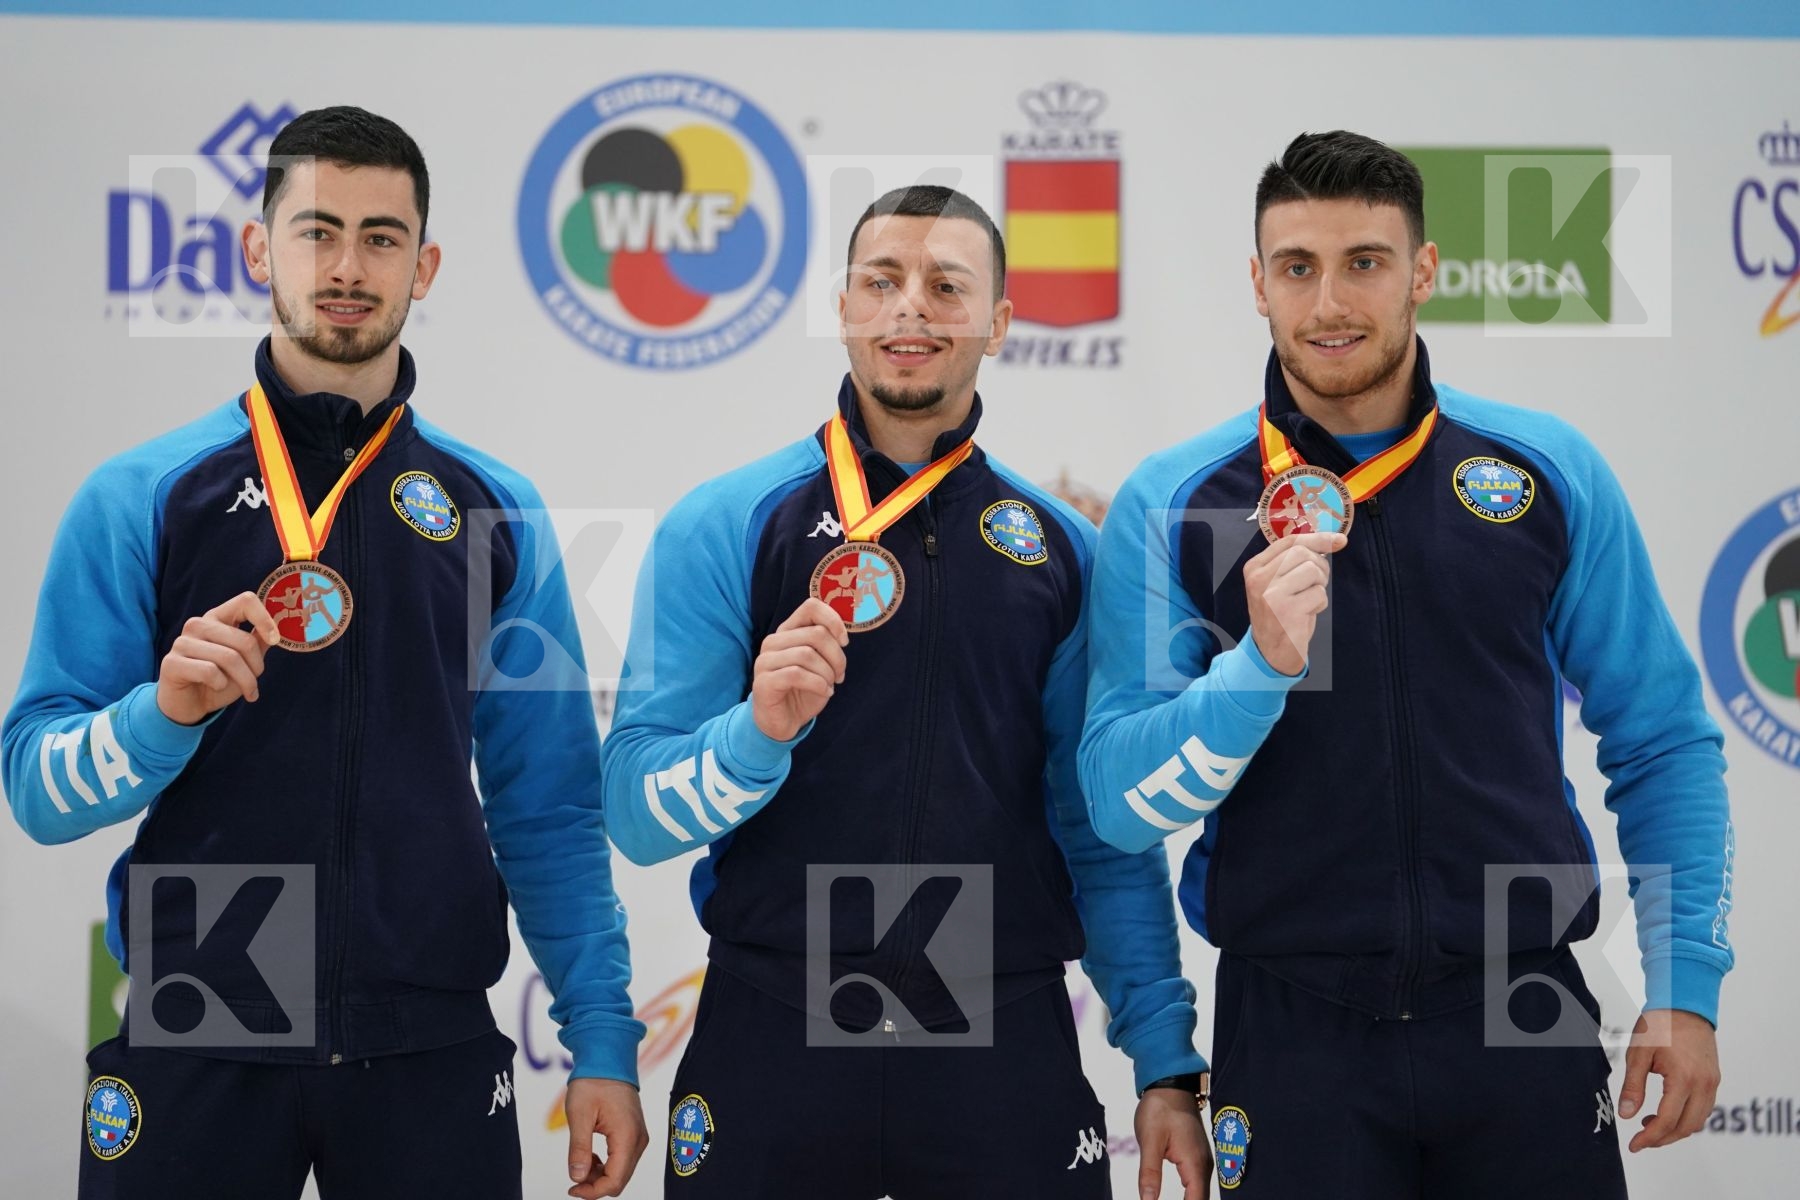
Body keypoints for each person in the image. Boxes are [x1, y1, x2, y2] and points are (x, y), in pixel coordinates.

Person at [1, 106, 647, 1200]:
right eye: (316, 231)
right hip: (200, 1019)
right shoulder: (144, 496)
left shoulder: (499, 511)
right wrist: (158, 718)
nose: (348, 266)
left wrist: (600, 1039)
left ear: (424, 265)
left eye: (382, 238)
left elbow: (550, 809)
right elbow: (38, 787)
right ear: (258, 250)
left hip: (426, 1040)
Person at [1079, 130, 1731, 1198]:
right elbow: (1115, 800)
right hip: (1293, 1030)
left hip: (1523, 1014)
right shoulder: (1180, 500)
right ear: (1257, 284)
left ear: (1423, 272)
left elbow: (1662, 740)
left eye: (1365, 263)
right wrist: (1256, 674)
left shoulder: (1540, 472)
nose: (1330, 301)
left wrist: (1686, 984)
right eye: (1297, 268)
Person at [602, 185, 1211, 1200]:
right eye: (882, 282)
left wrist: (1160, 1058)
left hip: (997, 1034)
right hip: (773, 1027)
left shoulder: (1063, 551)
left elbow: (1101, 832)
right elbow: (634, 810)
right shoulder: (727, 523)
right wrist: (754, 735)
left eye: (945, 286)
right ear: (843, 305)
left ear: (1000, 322)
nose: (910, 310)